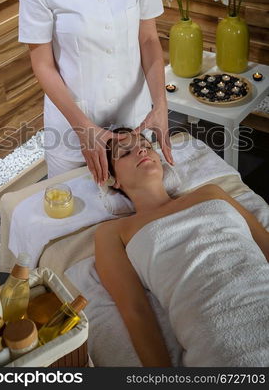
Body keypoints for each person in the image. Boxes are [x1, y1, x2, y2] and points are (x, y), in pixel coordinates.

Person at [17, 0, 173, 185]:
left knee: (135, 213)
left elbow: (149, 40)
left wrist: (160, 104)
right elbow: (43, 65)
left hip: (135, 123)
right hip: (73, 131)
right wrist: (83, 128)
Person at [95, 128, 269, 367]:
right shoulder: (113, 233)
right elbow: (135, 311)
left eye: (145, 145)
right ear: (113, 179)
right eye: (125, 152)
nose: (141, 149)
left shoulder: (210, 192)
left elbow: (265, 244)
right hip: (219, 332)